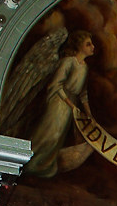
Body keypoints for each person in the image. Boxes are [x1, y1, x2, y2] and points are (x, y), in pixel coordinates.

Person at [23, 30, 95, 177]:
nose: (92, 47)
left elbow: (82, 93)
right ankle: (27, 162)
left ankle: (41, 167)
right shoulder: (68, 62)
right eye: (88, 44)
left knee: (57, 138)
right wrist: (70, 104)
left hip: (69, 106)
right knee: (48, 133)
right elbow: (56, 85)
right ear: (79, 46)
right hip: (58, 102)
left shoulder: (85, 67)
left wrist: (89, 114)